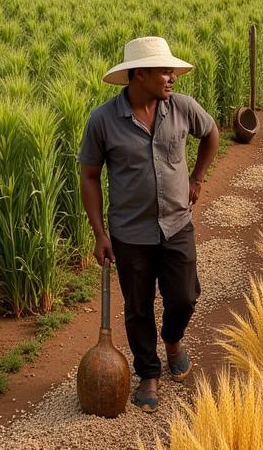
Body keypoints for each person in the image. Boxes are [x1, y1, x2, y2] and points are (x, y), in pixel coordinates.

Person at [78, 36, 220, 414]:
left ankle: (172, 340)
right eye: (164, 70)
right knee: (138, 307)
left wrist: (197, 178)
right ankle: (149, 373)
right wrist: (99, 233)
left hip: (177, 224)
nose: (172, 76)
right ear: (139, 74)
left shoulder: (183, 108)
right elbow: (89, 176)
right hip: (129, 233)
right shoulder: (103, 120)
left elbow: (212, 134)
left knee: (185, 296)